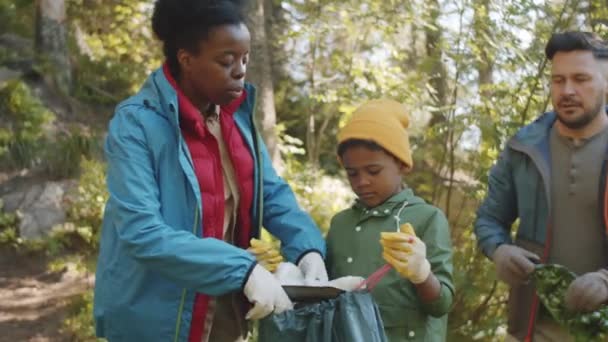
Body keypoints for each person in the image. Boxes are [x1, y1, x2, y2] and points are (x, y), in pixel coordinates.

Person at [93, 1, 327, 341]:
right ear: (187, 59)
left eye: (245, 59)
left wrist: (307, 249)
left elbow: (272, 193)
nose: (240, 71)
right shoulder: (136, 124)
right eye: (226, 61)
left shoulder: (236, 120)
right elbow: (141, 231)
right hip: (155, 320)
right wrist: (243, 270)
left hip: (225, 313)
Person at [474, 31, 608, 341]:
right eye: (558, 80)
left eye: (581, 79)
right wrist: (500, 250)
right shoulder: (523, 148)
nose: (568, 90)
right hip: (532, 330)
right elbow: (489, 219)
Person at [325, 99, 454, 341]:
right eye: (352, 173)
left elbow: (441, 305)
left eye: (373, 171)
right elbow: (321, 291)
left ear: (402, 164)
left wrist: (422, 274)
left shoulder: (427, 219)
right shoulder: (340, 224)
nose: (362, 181)